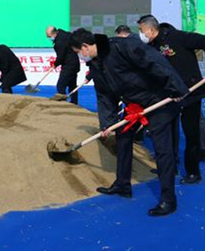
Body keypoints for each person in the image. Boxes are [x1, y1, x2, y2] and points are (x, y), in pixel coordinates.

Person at [69, 28, 189, 217]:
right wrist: (107, 123)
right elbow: (104, 95)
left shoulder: (122, 46)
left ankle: (168, 199)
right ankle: (122, 184)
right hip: (134, 104)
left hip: (157, 100)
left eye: (78, 53)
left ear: (85, 46)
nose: (80, 57)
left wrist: (176, 88)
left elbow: (155, 62)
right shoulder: (96, 64)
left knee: (162, 149)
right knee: (123, 137)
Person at [137, 15, 205, 184]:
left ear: (151, 29)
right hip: (168, 96)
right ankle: (170, 166)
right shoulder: (151, 47)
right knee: (168, 133)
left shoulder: (178, 37)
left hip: (190, 92)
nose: (141, 33)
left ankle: (193, 172)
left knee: (191, 132)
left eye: (141, 30)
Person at [46, 26, 81, 105]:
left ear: (54, 34)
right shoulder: (65, 34)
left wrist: (55, 64)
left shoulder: (59, 42)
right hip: (74, 63)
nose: (49, 38)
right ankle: (74, 103)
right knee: (72, 85)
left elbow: (61, 56)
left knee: (61, 85)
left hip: (69, 65)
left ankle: (63, 104)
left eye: (49, 36)